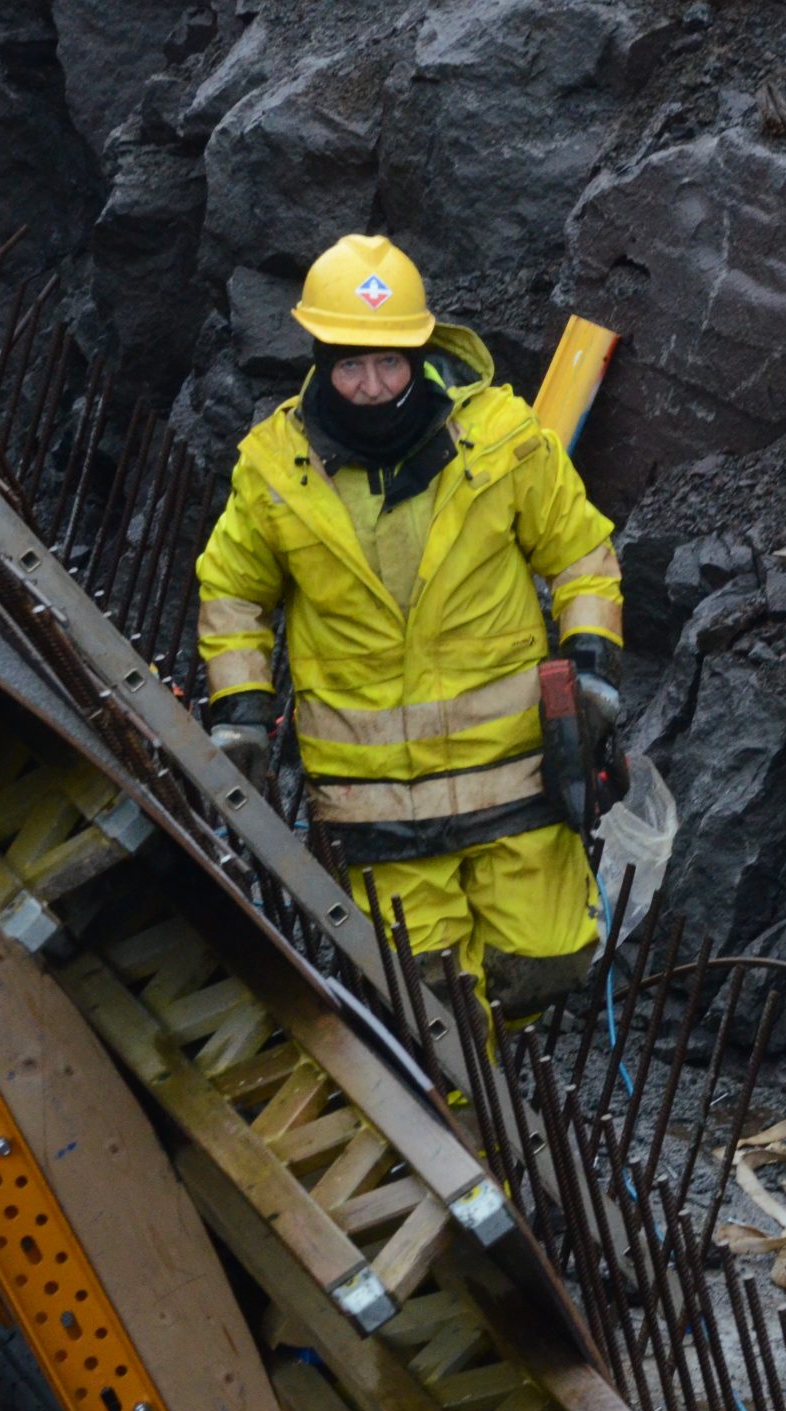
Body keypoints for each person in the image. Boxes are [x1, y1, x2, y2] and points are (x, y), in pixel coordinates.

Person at [194, 233, 626, 1019]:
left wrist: (590, 662)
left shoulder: (502, 437)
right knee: (431, 1008)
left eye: (388, 362)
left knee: (547, 963)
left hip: (515, 777)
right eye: (350, 364)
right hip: (374, 804)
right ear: (322, 358)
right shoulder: (273, 469)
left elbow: (581, 554)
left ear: (421, 351)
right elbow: (232, 595)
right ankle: (470, 1131)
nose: (369, 385)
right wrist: (242, 714)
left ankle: (494, 1097)